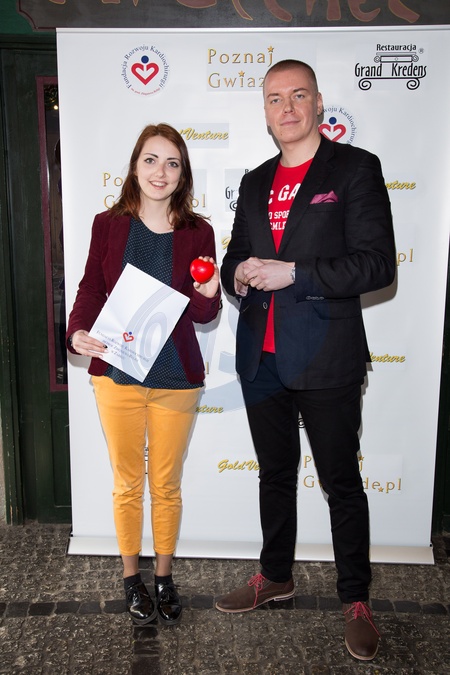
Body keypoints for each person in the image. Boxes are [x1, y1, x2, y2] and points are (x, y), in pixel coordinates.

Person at [217, 60, 396, 661]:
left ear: (318, 104)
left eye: (298, 95)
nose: (287, 107)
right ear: (265, 112)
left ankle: (356, 600)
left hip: (326, 355)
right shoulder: (254, 181)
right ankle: (275, 576)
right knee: (274, 475)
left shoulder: (355, 168)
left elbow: (377, 265)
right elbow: (235, 256)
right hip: (260, 356)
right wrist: (239, 272)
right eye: (275, 98)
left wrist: (296, 273)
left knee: (341, 482)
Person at [66, 123, 220, 626]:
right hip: (117, 375)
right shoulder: (108, 224)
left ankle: (165, 577)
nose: (160, 171)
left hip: (176, 377)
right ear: (135, 166)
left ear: (183, 174)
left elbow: (203, 315)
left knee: (167, 485)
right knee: (128, 484)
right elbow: (92, 287)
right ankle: (132, 578)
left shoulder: (198, 232)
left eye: (172, 163)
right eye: (151, 160)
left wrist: (209, 293)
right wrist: (77, 331)